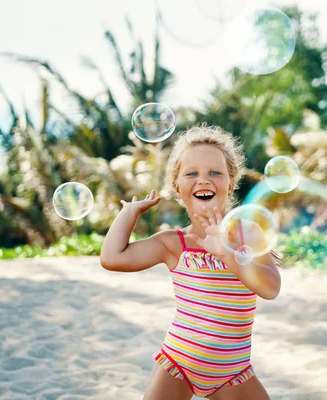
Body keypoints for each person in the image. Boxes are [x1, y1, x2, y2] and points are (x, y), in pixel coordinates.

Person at [100, 124, 281, 400]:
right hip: (178, 363)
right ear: (177, 187)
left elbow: (270, 288)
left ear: (230, 184)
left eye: (215, 173)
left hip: (232, 371)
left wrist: (227, 253)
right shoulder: (173, 243)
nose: (203, 180)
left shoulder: (248, 234)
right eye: (192, 174)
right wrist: (129, 213)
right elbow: (112, 258)